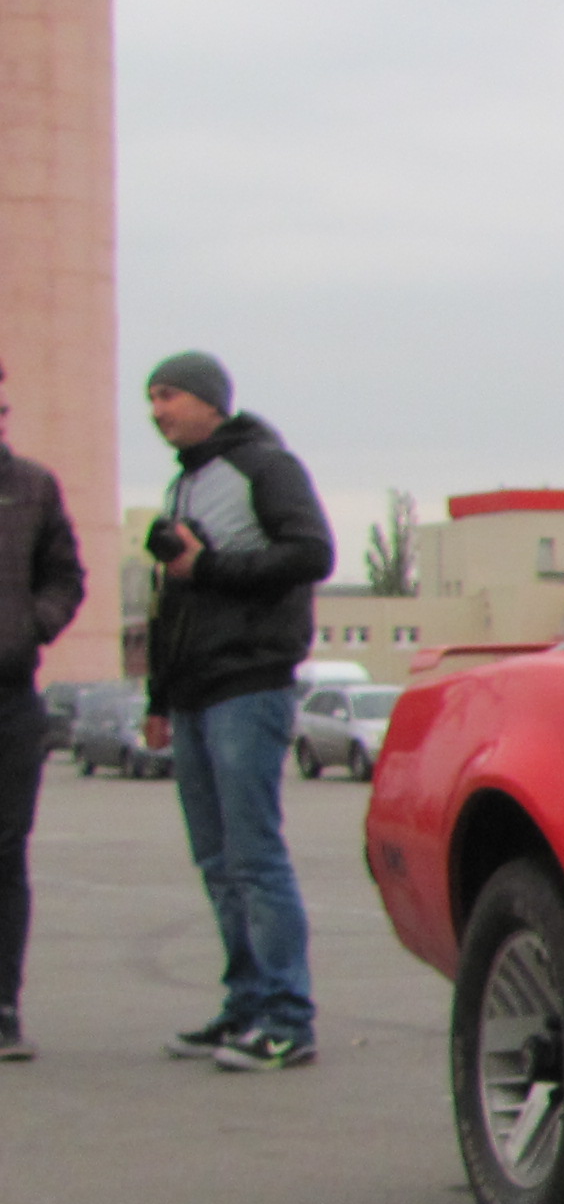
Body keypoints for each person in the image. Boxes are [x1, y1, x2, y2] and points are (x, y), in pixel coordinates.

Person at [141, 350, 332, 1071]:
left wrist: (211, 565)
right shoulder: (184, 483)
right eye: (151, 398)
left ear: (210, 401)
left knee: (254, 858)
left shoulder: (265, 467)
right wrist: (158, 697)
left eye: (168, 395)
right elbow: (172, 601)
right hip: (193, 694)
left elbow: (311, 552)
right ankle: (246, 1004)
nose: (157, 411)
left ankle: (288, 1019)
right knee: (218, 862)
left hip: (248, 684)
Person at [0, 355, 89, 1062]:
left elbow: (66, 576)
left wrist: (30, 626)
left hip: (9, 698)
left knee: (5, 854)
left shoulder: (31, 487)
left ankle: (3, 1008)